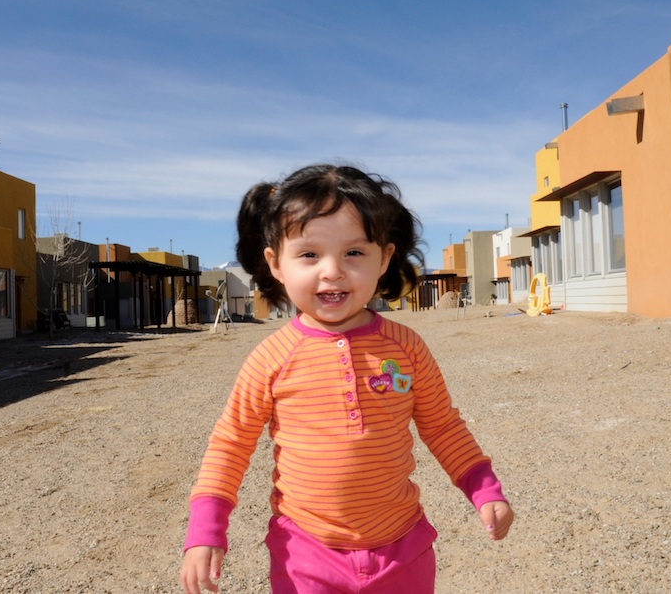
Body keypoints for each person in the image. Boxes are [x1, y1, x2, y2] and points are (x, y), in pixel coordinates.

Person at [180, 164, 513, 593]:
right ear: (275, 263)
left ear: (385, 258)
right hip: (305, 555)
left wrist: (484, 488)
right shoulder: (271, 358)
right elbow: (231, 442)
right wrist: (206, 526)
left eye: (354, 253)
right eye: (309, 255)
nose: (332, 270)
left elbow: (442, 424)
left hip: (403, 548)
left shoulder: (406, 348)